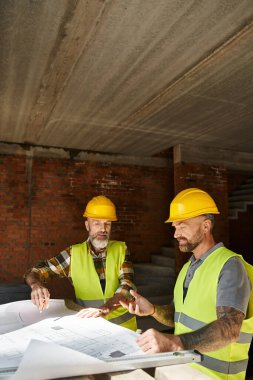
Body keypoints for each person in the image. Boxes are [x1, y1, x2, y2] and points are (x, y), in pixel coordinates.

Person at [120, 188, 253, 379]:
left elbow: (230, 328)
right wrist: (153, 310)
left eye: (182, 226)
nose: (175, 234)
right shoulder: (187, 268)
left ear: (206, 226)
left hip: (214, 376)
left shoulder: (230, 266)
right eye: (174, 227)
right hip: (182, 370)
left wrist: (175, 342)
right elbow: (179, 317)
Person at [24, 195, 137, 331]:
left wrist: (105, 309)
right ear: (87, 225)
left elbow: (127, 285)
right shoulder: (73, 255)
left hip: (124, 331)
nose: (103, 229)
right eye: (97, 223)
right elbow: (36, 271)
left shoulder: (121, 249)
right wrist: (36, 284)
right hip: (89, 329)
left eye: (107, 223)